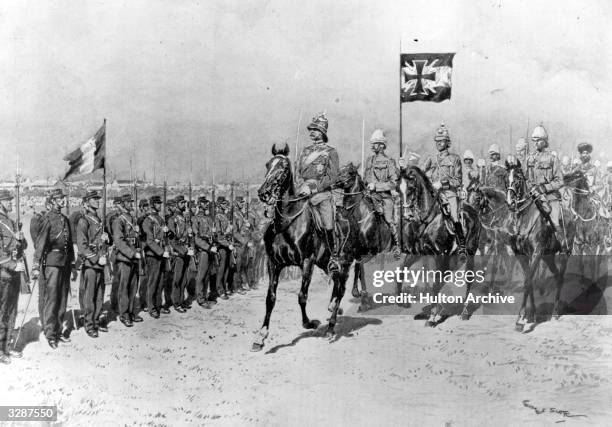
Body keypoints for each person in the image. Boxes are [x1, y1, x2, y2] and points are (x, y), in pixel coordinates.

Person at [295, 112, 340, 271]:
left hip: (321, 195)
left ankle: (333, 257)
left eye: (315, 129)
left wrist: (313, 188)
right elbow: (299, 173)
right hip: (302, 193)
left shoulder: (330, 152)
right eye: (310, 129)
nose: (311, 132)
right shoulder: (305, 151)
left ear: (322, 132)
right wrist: (301, 187)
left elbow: (333, 177)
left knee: (328, 224)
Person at [32, 188, 75, 349]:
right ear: (52, 202)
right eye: (60, 198)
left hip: (64, 263)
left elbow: (69, 245)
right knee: (52, 298)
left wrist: (72, 263)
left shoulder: (65, 219)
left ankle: (57, 331)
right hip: (51, 263)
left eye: (63, 198)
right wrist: (36, 265)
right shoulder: (48, 219)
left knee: (63, 298)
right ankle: (50, 333)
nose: (63, 200)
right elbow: (40, 244)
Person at [422, 124, 467, 259]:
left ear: (447, 143)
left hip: (449, 194)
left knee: (454, 216)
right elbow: (420, 172)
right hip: (434, 195)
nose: (438, 143)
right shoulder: (431, 158)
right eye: (437, 141)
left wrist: (442, 183)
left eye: (441, 141)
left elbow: (458, 181)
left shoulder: (455, 159)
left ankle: (462, 246)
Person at [526, 124, 567, 250]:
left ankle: (562, 245)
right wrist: (531, 188)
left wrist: (545, 188)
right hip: (534, 195)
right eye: (534, 141)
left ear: (545, 141)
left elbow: (560, 181)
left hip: (550, 196)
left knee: (554, 219)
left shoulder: (553, 159)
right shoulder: (530, 159)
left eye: (538, 140)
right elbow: (527, 178)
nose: (535, 143)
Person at [75, 190, 110, 338]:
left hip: (101, 261)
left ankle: (96, 321)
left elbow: (102, 242)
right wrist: (96, 258)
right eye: (94, 199)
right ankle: (89, 324)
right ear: (87, 202)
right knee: (89, 296)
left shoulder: (98, 220)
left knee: (100, 294)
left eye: (97, 199)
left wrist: (106, 239)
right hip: (90, 263)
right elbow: (82, 246)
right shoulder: (84, 221)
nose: (97, 201)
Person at [364, 129, 400, 256]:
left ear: (382, 145)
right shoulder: (369, 160)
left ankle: (396, 245)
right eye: (372, 143)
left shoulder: (389, 161)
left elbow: (393, 183)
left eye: (375, 143)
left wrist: (377, 186)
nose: (373, 146)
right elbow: (365, 179)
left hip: (384, 197)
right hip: (370, 196)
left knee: (389, 220)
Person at [0, 190, 27, 363]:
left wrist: (21, 239)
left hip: (15, 272)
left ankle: (7, 346)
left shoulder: (11, 221)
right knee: (2, 312)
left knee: (12, 311)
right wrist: (11, 264)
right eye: (7, 200)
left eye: (10, 200)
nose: (11, 203)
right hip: (3, 272)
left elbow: (21, 246)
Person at [112, 193, 143, 327]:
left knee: (133, 286)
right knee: (124, 287)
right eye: (128, 202)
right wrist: (132, 253)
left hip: (134, 256)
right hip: (124, 258)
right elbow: (119, 241)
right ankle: (124, 314)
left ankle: (130, 312)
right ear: (123, 204)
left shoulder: (132, 219)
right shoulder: (119, 220)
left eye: (131, 201)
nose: (131, 204)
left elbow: (136, 238)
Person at [141, 195, 169, 319]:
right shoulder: (148, 220)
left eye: (160, 203)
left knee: (160, 281)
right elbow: (149, 241)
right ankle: (151, 307)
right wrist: (161, 252)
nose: (160, 205)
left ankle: (158, 304)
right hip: (152, 254)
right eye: (157, 203)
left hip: (161, 253)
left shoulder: (160, 219)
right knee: (153, 282)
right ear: (152, 205)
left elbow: (163, 237)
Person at [168, 195, 191, 312]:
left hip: (186, 251)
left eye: (184, 202)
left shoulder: (185, 218)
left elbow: (187, 235)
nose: (184, 205)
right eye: (181, 203)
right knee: (177, 279)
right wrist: (182, 250)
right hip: (179, 253)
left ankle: (181, 301)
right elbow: (172, 240)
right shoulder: (172, 219)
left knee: (184, 279)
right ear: (176, 204)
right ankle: (176, 303)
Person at [193, 196, 217, 307]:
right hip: (203, 250)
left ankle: (205, 296)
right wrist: (208, 247)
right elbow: (196, 238)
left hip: (211, 248)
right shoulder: (195, 219)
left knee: (208, 275)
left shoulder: (209, 219)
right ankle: (200, 299)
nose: (205, 204)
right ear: (199, 204)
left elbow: (212, 234)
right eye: (203, 203)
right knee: (201, 275)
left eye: (206, 202)